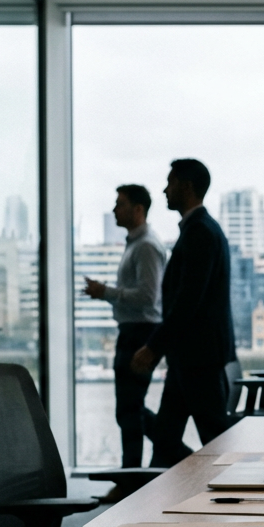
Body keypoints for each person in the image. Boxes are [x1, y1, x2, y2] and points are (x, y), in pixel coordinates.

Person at [131, 159, 236, 467]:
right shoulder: (202, 229)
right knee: (166, 437)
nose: (164, 190)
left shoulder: (200, 232)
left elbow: (188, 301)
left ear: (186, 187)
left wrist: (153, 346)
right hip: (191, 356)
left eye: (170, 183)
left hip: (197, 356)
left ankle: (238, 493)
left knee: (215, 440)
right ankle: (162, 497)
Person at [84, 184, 166, 469]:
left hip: (140, 333)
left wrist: (106, 291)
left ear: (138, 209)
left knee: (129, 411)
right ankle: (172, 454)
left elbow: (147, 296)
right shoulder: (136, 244)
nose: (114, 209)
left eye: (120, 203)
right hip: (135, 331)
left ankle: (139, 472)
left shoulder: (145, 246)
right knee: (129, 410)